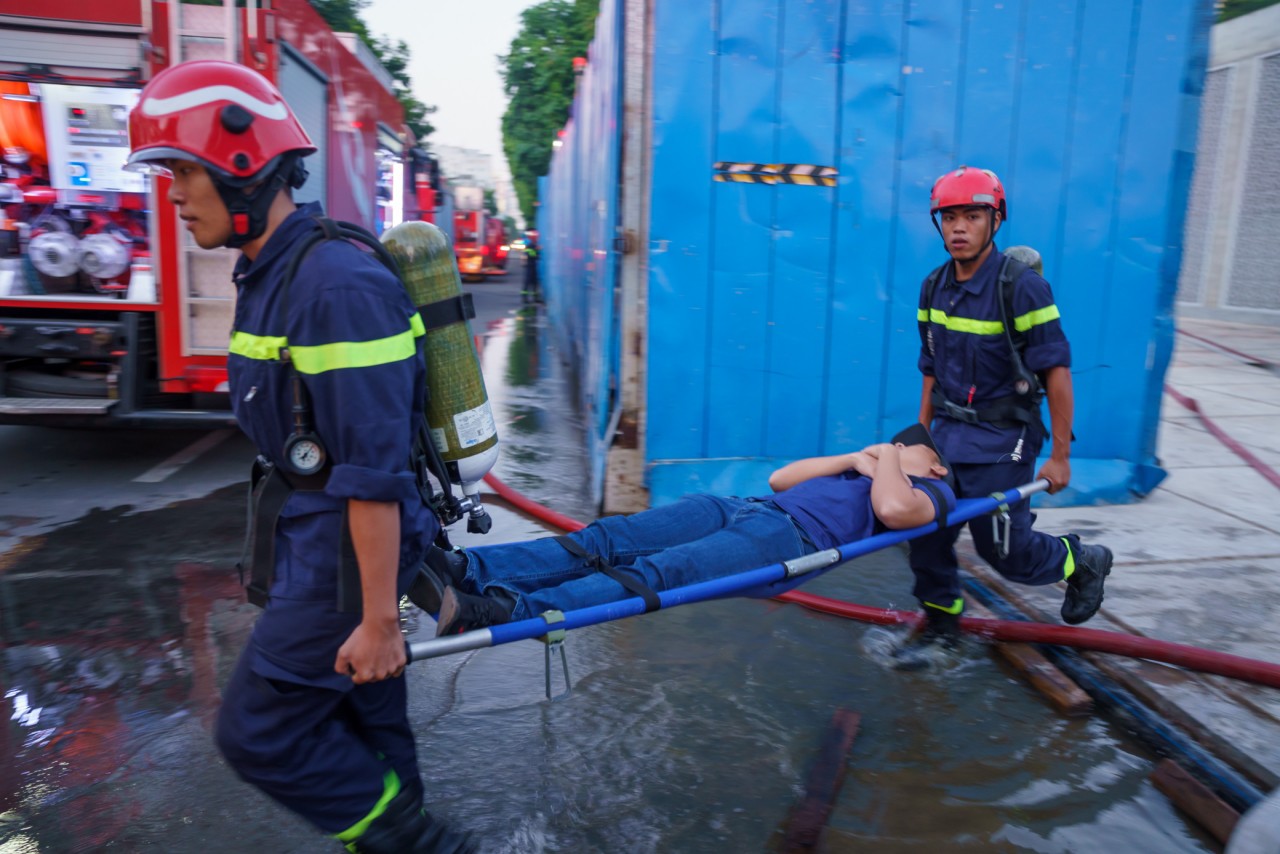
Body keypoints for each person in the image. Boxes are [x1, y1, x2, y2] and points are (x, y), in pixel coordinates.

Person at [125, 60, 473, 853]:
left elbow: (372, 470)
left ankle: (426, 847)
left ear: (241, 166)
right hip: (323, 542)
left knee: (257, 731)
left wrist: (380, 617)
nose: (172, 194)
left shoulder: (333, 283)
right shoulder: (274, 272)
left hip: (347, 558)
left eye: (183, 171)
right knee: (362, 717)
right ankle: (399, 832)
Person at [410, 424, 958, 637]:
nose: (893, 445)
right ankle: (467, 570)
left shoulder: (932, 492)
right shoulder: (864, 469)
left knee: (657, 573)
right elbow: (780, 478)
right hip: (744, 506)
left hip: (788, 540)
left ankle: (503, 610)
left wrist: (887, 456)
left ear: (932, 464)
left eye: (908, 446)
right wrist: (855, 457)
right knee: (608, 538)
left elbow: (891, 510)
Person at [897, 164, 1113, 670]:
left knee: (1004, 554)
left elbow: (1057, 372)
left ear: (995, 221)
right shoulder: (933, 288)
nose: (958, 227)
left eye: (972, 215)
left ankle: (1081, 559)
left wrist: (1059, 456)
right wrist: (919, 439)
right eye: (948, 217)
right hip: (946, 437)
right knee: (924, 537)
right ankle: (943, 628)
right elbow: (930, 369)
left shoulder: (1022, 289)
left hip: (1004, 439)